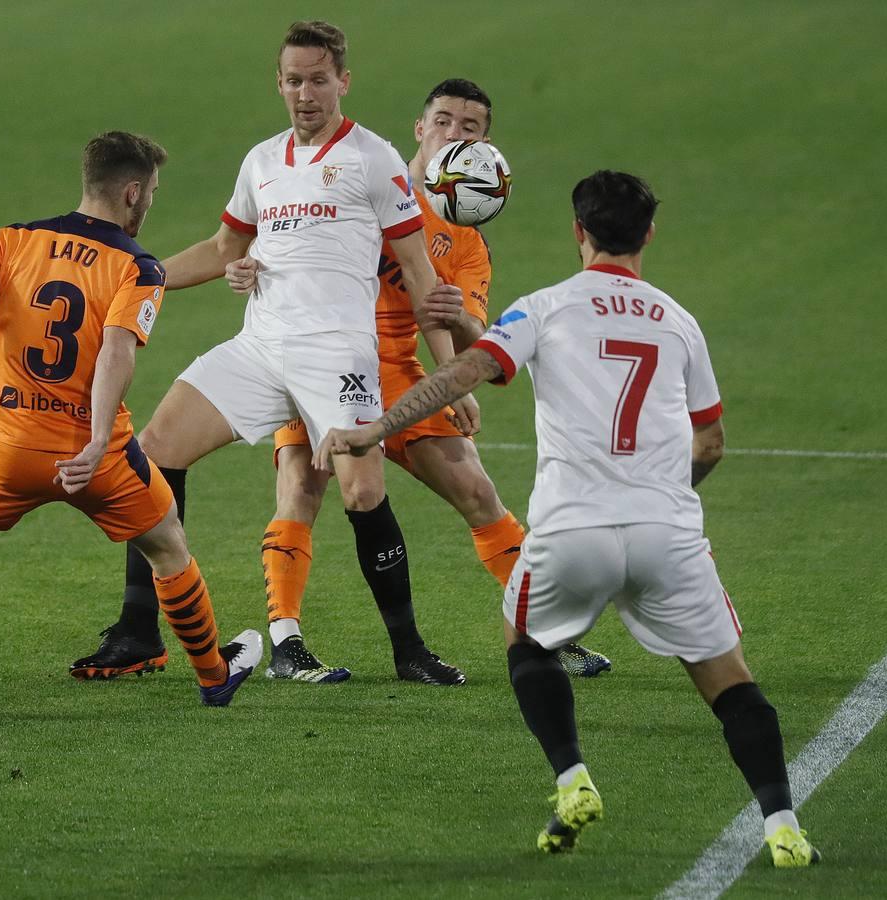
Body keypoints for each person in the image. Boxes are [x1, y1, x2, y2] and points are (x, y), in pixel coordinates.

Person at [316, 170, 820, 866]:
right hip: (665, 531)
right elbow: (710, 442)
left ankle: (571, 778)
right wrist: (668, 493)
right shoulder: (678, 320)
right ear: (648, 233)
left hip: (570, 529)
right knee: (730, 682)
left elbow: (461, 374)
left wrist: (374, 431)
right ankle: (782, 825)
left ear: (578, 231)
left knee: (525, 642)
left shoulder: (544, 307)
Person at [70, 22, 467, 685]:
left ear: (342, 81)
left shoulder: (375, 159)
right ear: (277, 84)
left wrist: (455, 372)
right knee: (155, 449)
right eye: (292, 80)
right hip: (259, 346)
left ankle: (409, 652)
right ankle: (139, 631)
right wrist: (137, 275)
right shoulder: (261, 161)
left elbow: (418, 269)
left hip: (337, 353)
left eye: (317, 79)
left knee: (362, 490)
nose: (304, 94)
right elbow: (224, 249)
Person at [0, 131, 262, 713]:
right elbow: (116, 351)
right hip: (94, 459)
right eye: (152, 192)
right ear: (131, 192)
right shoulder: (138, 266)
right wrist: (99, 438)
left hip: (7, 451)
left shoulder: (14, 240)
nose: (151, 202)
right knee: (167, 545)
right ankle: (213, 676)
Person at [252, 78, 611, 684]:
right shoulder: (364, 179)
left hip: (396, 370)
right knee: (303, 485)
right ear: (420, 129)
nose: (454, 133)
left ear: (486, 146)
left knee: (476, 490)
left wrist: (459, 341)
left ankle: (544, 631)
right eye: (443, 121)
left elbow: (474, 331)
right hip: (319, 358)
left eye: (469, 128)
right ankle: (286, 642)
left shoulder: (468, 238)